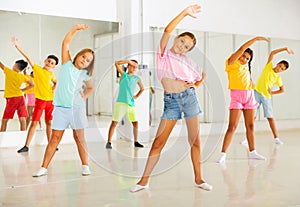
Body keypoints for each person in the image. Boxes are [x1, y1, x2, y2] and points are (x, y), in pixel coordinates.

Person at [130, 4, 212, 193]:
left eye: (187, 47)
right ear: (177, 38)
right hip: (171, 102)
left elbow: (202, 75)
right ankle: (143, 181)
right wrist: (185, 13)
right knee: (159, 142)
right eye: (182, 41)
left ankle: (199, 179)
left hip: (189, 99)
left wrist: (195, 85)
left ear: (188, 51)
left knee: (195, 141)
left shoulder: (188, 61)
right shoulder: (163, 53)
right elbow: (167, 29)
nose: (182, 46)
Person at [32, 24, 95, 177]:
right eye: (83, 57)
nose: (84, 61)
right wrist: (75, 29)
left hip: (77, 109)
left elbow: (90, 88)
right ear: (78, 55)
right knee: (55, 138)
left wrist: (83, 96)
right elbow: (65, 43)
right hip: (60, 108)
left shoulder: (84, 75)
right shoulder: (67, 64)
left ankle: (85, 165)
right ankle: (44, 167)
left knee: (79, 138)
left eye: (88, 61)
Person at [216, 36, 270, 164]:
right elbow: (241, 49)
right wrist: (255, 39)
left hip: (249, 97)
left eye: (247, 58)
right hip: (237, 97)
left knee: (250, 126)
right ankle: (223, 154)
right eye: (243, 56)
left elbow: (248, 82)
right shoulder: (231, 63)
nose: (244, 59)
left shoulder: (246, 67)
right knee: (232, 126)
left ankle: (253, 152)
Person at [13, 37, 58, 153]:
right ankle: (26, 145)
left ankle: (51, 144)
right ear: (45, 61)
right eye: (48, 61)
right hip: (40, 101)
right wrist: (17, 46)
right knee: (34, 122)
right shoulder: (37, 69)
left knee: (49, 123)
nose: (49, 63)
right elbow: (28, 58)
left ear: (54, 66)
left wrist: (53, 88)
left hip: (50, 102)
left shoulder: (51, 74)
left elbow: (56, 82)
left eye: (52, 63)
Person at [240, 47, 294, 146]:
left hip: (266, 97)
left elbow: (282, 90)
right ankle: (247, 139)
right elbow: (272, 53)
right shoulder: (268, 66)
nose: (279, 69)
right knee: (252, 117)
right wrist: (285, 49)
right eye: (280, 66)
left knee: (270, 117)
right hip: (256, 93)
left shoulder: (278, 78)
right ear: (277, 64)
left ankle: (276, 138)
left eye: (282, 69)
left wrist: (272, 93)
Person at [105, 59, 145, 149]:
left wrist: (136, 96)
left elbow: (142, 88)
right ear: (128, 66)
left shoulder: (137, 79)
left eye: (136, 67)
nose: (134, 68)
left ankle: (136, 141)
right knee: (114, 122)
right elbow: (116, 63)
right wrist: (129, 61)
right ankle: (109, 142)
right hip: (121, 103)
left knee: (135, 123)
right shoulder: (124, 75)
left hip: (131, 104)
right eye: (132, 66)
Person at [0, 59, 33, 131]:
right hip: (20, 97)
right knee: (22, 118)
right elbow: (32, 85)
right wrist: (23, 90)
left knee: (4, 120)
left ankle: (1, 134)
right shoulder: (22, 77)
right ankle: (23, 136)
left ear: (16, 65)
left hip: (12, 99)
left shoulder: (9, 72)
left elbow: (1, 64)